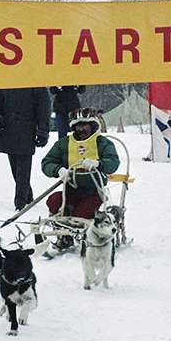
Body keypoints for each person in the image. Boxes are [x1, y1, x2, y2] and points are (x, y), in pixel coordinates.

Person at [41, 107, 120, 250]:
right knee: (53, 201)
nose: (81, 129)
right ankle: (64, 236)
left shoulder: (102, 143)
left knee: (80, 216)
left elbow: (113, 162)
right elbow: (47, 162)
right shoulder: (64, 143)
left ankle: (81, 235)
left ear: (93, 125)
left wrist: (99, 164)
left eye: (85, 125)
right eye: (78, 125)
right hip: (70, 191)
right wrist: (58, 170)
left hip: (94, 192)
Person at [0, 87, 51, 210]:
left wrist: (43, 130)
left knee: (22, 169)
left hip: (27, 130)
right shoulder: (6, 82)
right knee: (16, 168)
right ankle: (27, 197)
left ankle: (20, 203)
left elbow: (44, 108)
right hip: (9, 129)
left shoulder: (35, 83)